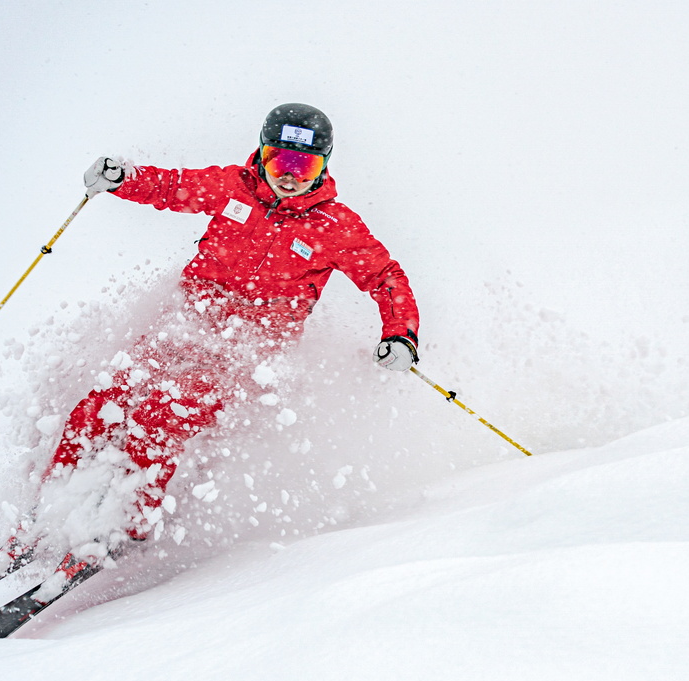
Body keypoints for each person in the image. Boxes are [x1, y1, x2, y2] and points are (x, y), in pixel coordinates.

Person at [45, 103, 419, 546]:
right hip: (188, 322)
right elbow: (172, 187)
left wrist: (400, 334)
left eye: (304, 165)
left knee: (160, 416)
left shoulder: (334, 226)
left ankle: (126, 526)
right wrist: (124, 178)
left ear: (324, 166)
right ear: (262, 154)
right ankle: (48, 507)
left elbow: (385, 277)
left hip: (247, 350)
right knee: (101, 404)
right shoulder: (233, 188)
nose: (290, 176)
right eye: (280, 161)